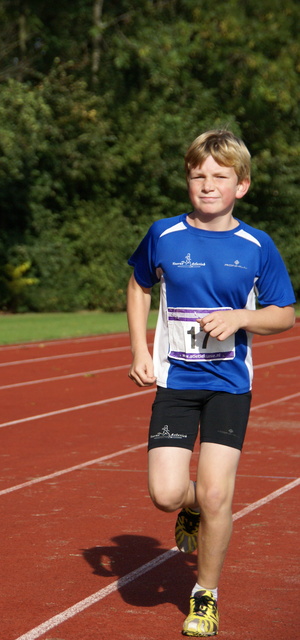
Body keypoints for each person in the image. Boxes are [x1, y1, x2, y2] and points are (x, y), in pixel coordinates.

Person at [126, 129, 295, 636]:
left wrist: (241, 320)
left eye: (219, 177)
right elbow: (137, 286)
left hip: (228, 385)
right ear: (188, 180)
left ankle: (205, 596)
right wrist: (138, 348)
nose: (207, 185)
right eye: (198, 175)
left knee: (219, 494)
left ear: (240, 185)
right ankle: (190, 510)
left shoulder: (257, 245)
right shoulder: (163, 234)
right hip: (176, 384)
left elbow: (284, 314)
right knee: (166, 493)